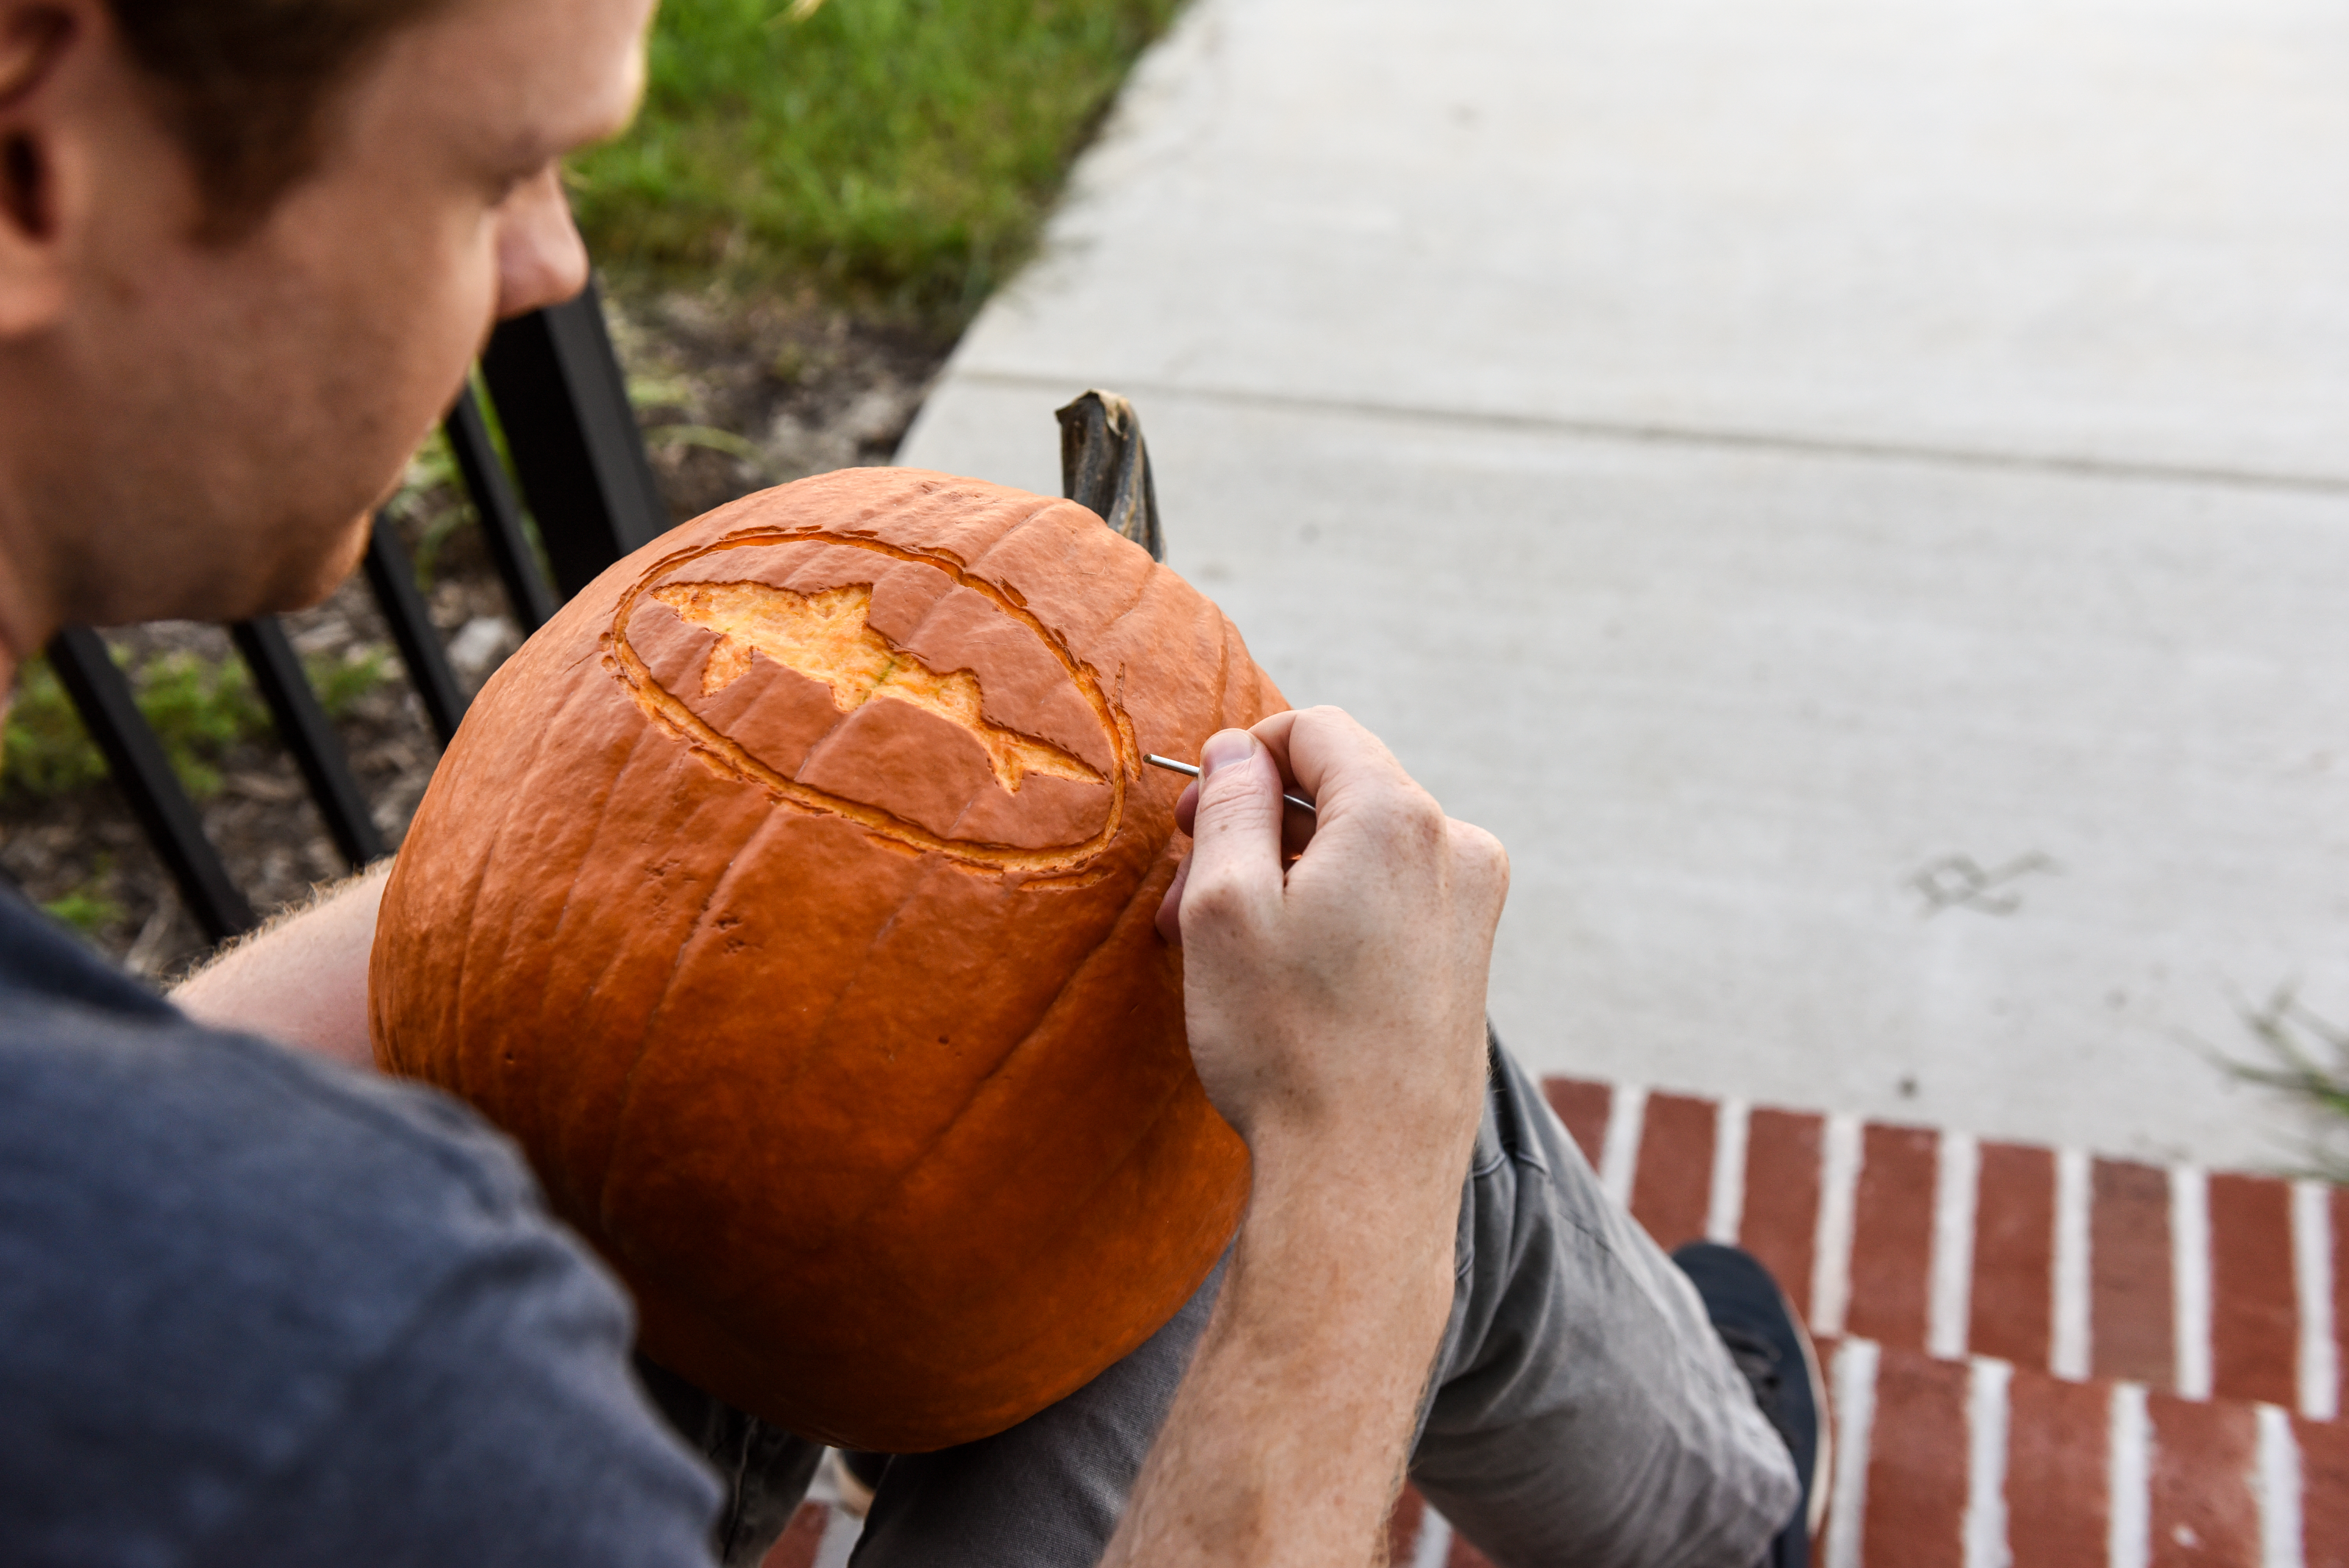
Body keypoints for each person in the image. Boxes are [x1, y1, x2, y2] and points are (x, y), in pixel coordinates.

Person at [0, 0, 1820, 1563]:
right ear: (30, 156)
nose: (553, 262)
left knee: (1106, 1033)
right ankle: (1725, 1501)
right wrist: (1368, 1176)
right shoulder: (373, 1382)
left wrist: (672, 834)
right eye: (495, 175)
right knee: (1310, 1097)